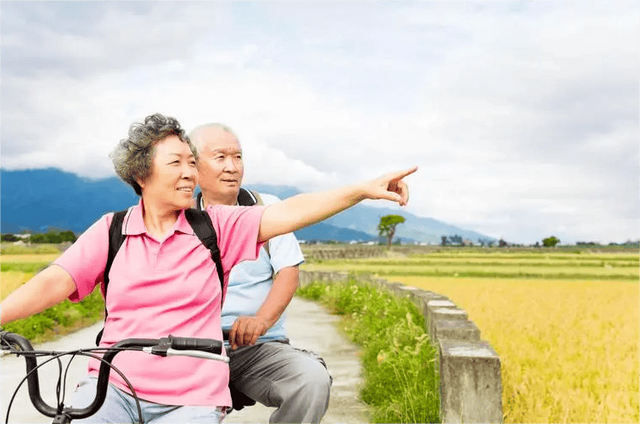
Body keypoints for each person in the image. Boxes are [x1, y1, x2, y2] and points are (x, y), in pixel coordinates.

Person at [0, 112, 416, 423]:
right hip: (113, 385)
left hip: (192, 393)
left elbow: (292, 211)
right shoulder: (110, 231)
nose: (189, 174)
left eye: (190, 163)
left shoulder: (216, 227)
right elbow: (55, 281)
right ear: (141, 175)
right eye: (176, 164)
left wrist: (361, 190)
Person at [189, 123, 330, 423]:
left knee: (311, 381)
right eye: (220, 157)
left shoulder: (267, 208)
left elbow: (288, 271)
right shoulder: (180, 215)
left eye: (237, 157)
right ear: (194, 166)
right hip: (192, 349)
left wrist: (262, 320)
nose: (232, 167)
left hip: (256, 347)